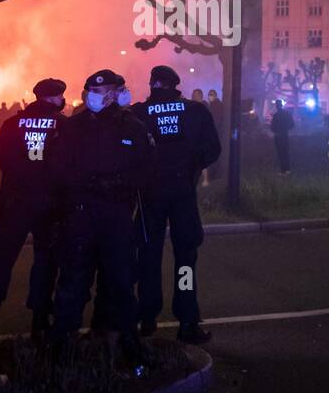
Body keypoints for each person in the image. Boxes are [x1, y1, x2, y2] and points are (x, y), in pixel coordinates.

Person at [47, 70, 154, 364]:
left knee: (120, 282)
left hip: (116, 216)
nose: (92, 95)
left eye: (101, 90)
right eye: (89, 90)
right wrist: (83, 184)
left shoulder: (132, 127)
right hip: (80, 215)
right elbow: (56, 168)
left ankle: (125, 343)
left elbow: (146, 170)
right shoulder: (73, 127)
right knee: (72, 282)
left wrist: (119, 184)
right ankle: (61, 351)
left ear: (114, 93)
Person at [0, 78, 68, 346]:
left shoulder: (13, 124)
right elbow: (69, 167)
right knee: (46, 262)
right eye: (61, 96)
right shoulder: (63, 125)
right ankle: (40, 322)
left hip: (15, 202)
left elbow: (2, 160)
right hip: (49, 205)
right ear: (55, 97)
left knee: (1, 259)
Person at [129, 66, 220, 344]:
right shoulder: (195, 110)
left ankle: (146, 319)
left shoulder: (139, 113)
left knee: (148, 257)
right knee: (185, 260)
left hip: (149, 195)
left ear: (153, 84)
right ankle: (187, 320)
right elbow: (212, 150)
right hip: (182, 192)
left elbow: (128, 151)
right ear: (175, 85)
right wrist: (191, 168)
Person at [270, 100, 294, 174]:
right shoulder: (286, 114)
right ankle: (287, 169)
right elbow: (292, 124)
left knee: (280, 153)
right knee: (285, 152)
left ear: (277, 106)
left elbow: (272, 127)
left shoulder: (276, 115)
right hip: (285, 135)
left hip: (278, 136)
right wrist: (286, 129)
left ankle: (283, 170)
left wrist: (275, 130)